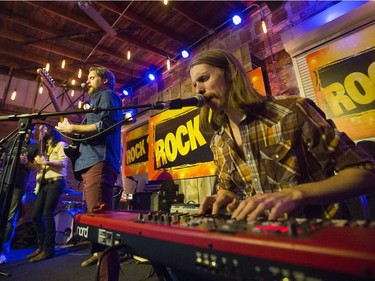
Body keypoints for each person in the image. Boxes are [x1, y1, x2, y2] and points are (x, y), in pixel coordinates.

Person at [190, 49, 375, 221]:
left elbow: (365, 173)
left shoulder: (292, 111)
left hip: (321, 234)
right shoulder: (218, 141)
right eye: (194, 84)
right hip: (267, 239)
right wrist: (224, 198)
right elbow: (230, 191)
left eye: (204, 78)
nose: (198, 90)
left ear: (230, 73)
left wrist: (296, 194)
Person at [56, 66, 122, 281]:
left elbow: (107, 125)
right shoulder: (94, 102)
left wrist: (74, 128)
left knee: (103, 228)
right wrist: (72, 131)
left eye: (92, 77)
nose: (88, 81)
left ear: (104, 80)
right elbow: (85, 135)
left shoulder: (108, 94)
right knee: (98, 226)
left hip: (99, 162)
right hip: (91, 163)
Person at [27, 125, 68, 262]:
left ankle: (49, 250)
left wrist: (47, 162)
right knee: (35, 216)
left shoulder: (61, 145)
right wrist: (32, 163)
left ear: (52, 131)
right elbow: (37, 168)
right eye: (40, 129)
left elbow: (63, 163)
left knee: (47, 215)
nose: (42, 130)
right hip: (44, 183)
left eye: (44, 129)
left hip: (56, 182)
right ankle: (42, 246)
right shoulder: (43, 148)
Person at [0, 127, 38, 264]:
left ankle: (3, 252)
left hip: (17, 186)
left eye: (30, 131)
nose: (28, 134)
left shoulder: (34, 147)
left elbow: (37, 167)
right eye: (26, 131)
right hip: (3, 181)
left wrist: (27, 162)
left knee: (10, 218)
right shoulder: (13, 142)